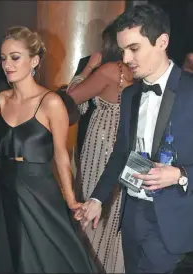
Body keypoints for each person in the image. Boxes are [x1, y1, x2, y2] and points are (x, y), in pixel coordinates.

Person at [75, 4, 193, 274]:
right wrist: (97, 200)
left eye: (134, 48)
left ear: (162, 42)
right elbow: (121, 153)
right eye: (122, 50)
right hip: (132, 216)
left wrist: (180, 174)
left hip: (172, 222)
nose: (126, 58)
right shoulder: (131, 95)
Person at [0, 26, 97, 274]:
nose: (7, 65)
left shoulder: (51, 103)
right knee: (8, 258)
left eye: (15, 57)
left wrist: (71, 200)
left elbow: (61, 155)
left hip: (39, 191)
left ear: (34, 60)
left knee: (51, 259)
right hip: (4, 190)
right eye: (3, 58)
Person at [67, 22, 133, 273]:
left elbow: (71, 98)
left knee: (91, 200)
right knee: (113, 207)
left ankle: (88, 264)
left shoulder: (107, 70)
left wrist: (88, 67)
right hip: (126, 143)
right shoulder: (137, 72)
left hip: (101, 144)